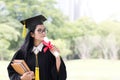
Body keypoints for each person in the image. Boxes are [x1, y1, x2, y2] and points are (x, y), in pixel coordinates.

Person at [7, 15, 67, 80]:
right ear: (32, 34)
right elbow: (11, 71)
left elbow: (60, 76)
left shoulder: (50, 51)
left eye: (44, 30)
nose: (43, 33)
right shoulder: (22, 52)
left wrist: (57, 57)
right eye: (39, 30)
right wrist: (21, 78)